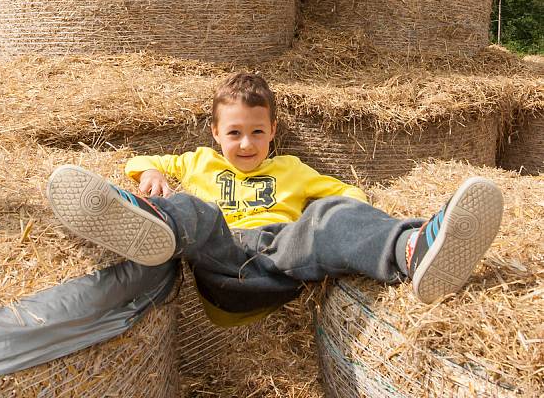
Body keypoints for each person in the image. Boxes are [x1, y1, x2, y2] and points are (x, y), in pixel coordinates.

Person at [47, 73, 504, 327]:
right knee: (196, 211)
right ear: (215, 134)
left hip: (282, 257)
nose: (246, 143)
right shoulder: (198, 162)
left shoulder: (292, 171)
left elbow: (346, 195)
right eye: (234, 133)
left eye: (257, 132)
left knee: (329, 216)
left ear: (273, 132)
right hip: (222, 259)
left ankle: (413, 249)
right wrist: (149, 173)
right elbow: (147, 158)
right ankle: (143, 219)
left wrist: (357, 217)